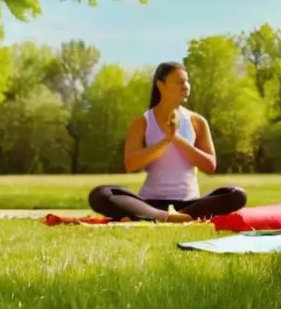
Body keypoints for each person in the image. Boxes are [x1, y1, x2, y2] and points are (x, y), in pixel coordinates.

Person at [88, 61, 248, 222]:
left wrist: (176, 139)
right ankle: (163, 216)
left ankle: (179, 216)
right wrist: (165, 141)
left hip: (190, 203)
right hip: (150, 203)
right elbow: (131, 164)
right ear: (161, 85)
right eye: (179, 82)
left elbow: (210, 165)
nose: (186, 86)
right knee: (101, 194)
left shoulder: (197, 121)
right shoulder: (142, 122)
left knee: (236, 194)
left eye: (187, 81)